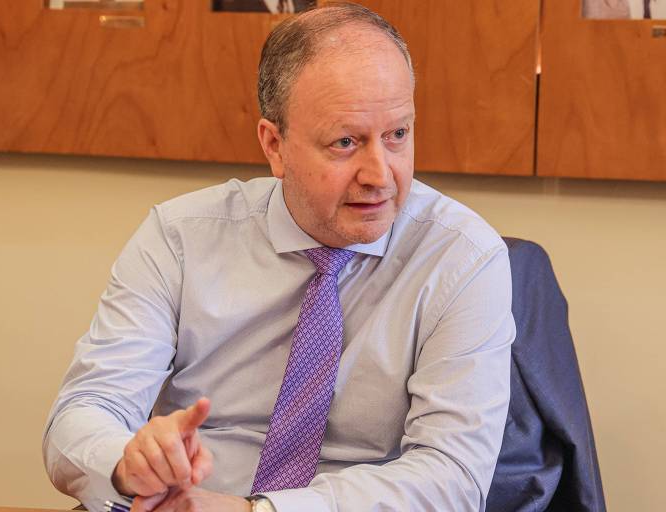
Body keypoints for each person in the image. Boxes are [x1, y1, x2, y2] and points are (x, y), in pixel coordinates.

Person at [43, 3, 515, 512]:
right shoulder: (180, 239)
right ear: (275, 144)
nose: (380, 174)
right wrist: (125, 461)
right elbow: (82, 412)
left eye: (398, 134)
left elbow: (453, 477)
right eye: (346, 142)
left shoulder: (462, 258)